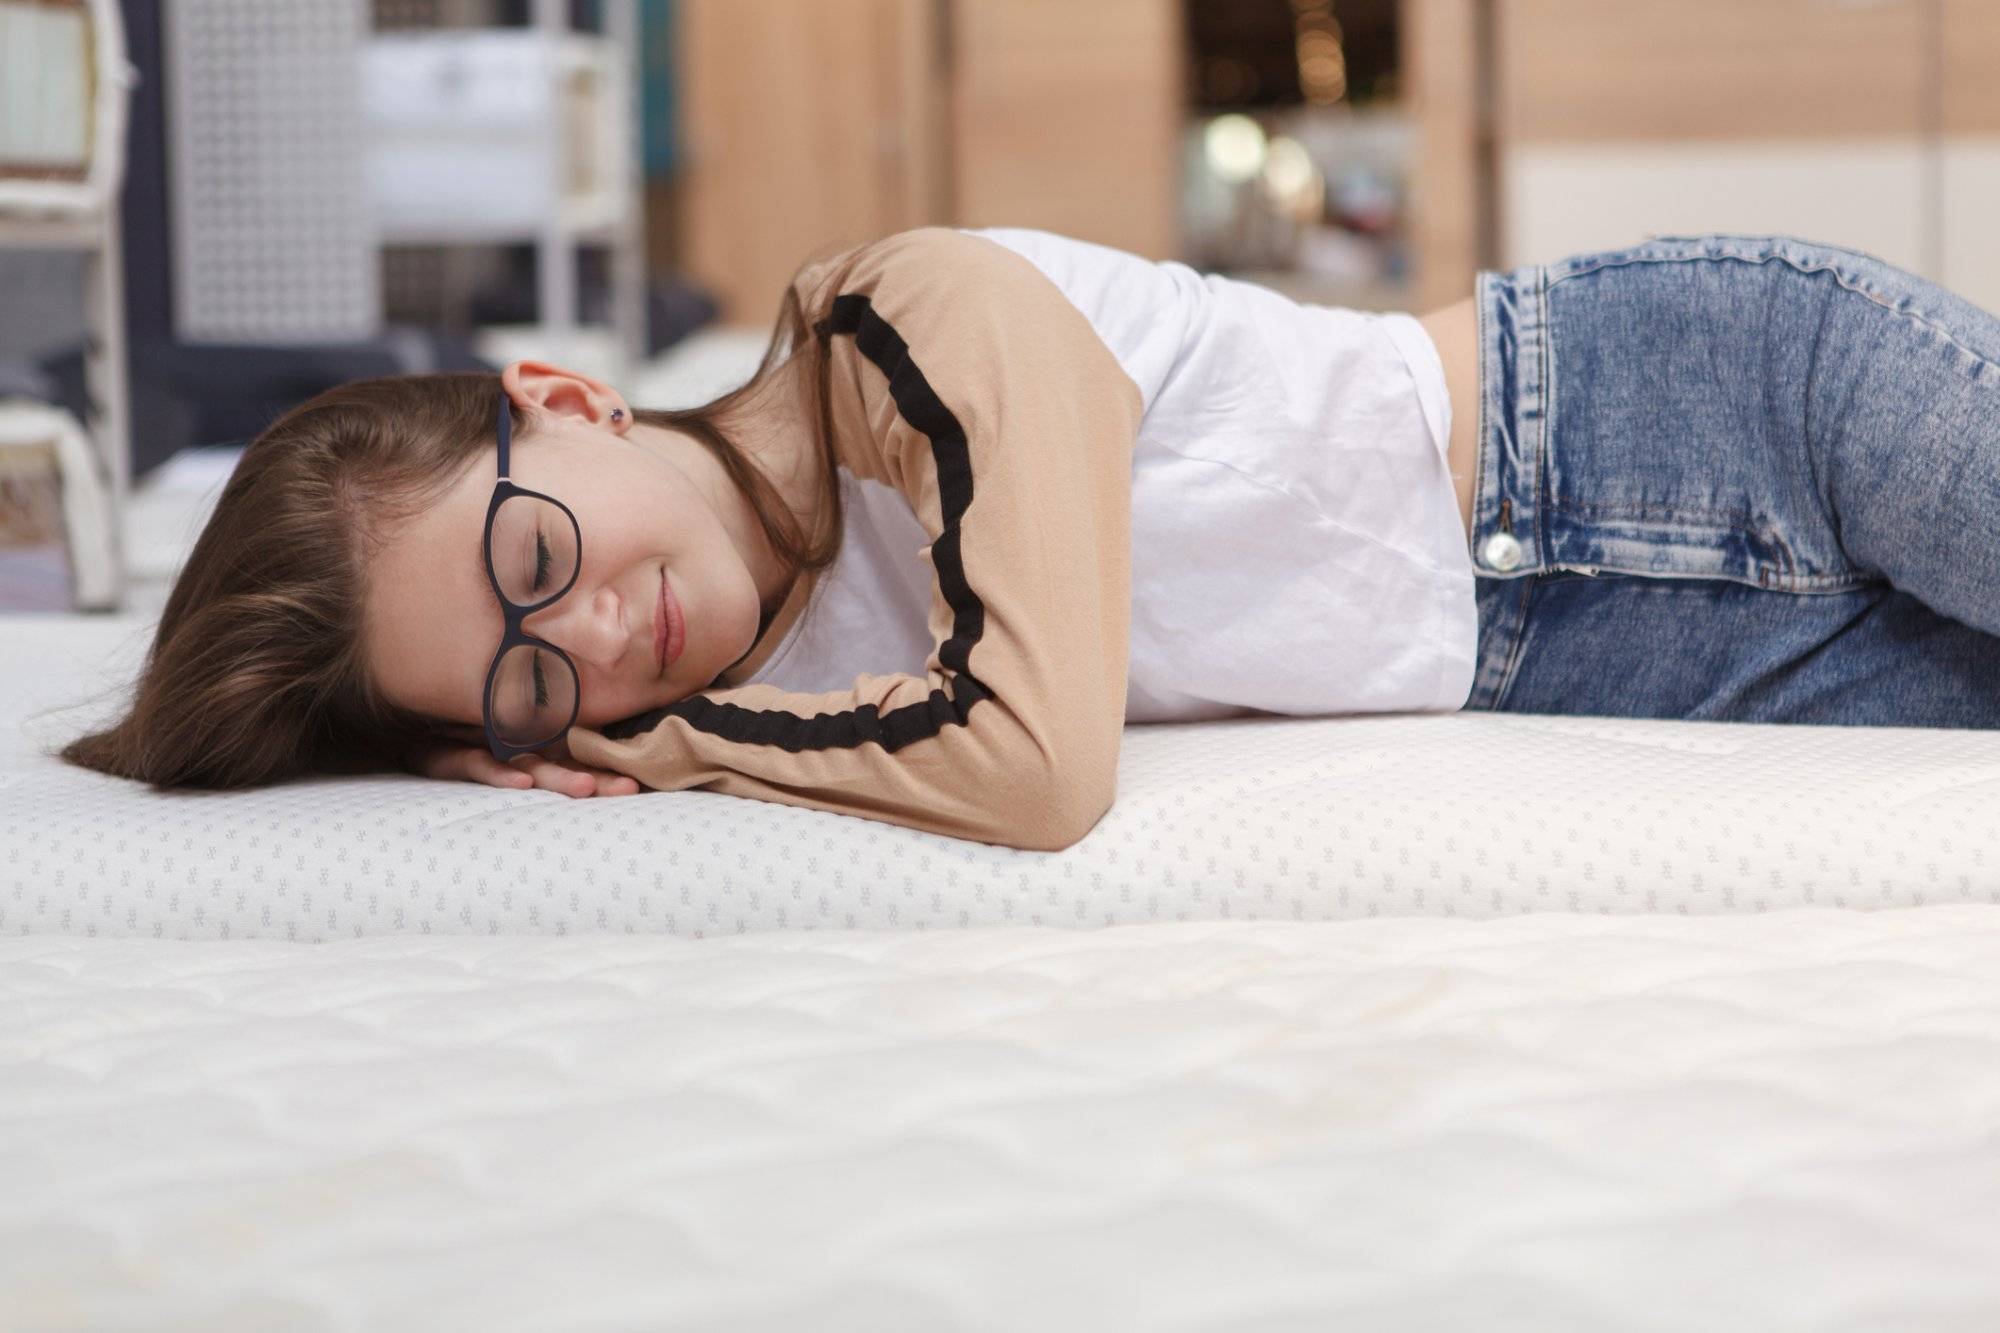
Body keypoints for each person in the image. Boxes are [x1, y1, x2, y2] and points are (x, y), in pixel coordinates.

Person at [57, 227, 2000, 850]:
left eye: (537, 567)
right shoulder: (809, 684)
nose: (602, 646)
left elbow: (1047, 762)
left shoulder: (899, 321)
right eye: (521, 678)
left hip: (1706, 401)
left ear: (565, 398)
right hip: (1598, 656)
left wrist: (680, 741)